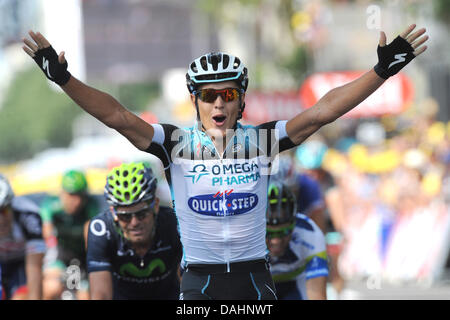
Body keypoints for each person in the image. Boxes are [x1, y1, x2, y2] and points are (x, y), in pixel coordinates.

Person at [22, 24, 428, 299]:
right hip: (200, 279)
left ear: (241, 99)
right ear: (195, 99)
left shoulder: (262, 139)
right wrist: (63, 79)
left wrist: (380, 72)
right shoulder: (174, 143)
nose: (218, 103)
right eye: (209, 95)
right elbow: (118, 116)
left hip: (254, 277)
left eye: (228, 95)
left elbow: (322, 112)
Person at [86, 162, 182, 300]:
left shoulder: (173, 223)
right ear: (113, 213)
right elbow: (101, 295)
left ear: (155, 206)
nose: (134, 222)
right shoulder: (101, 229)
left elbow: (190, 283)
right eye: (125, 216)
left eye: (142, 214)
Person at [295, 140, 346, 298]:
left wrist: (340, 233)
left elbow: (337, 211)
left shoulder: (329, 182)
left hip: (328, 232)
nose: (313, 175)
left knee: (333, 271)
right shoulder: (298, 182)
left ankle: (337, 292)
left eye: (316, 171)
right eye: (309, 171)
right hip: (304, 232)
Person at [39, 169, 100, 299]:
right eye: (70, 195)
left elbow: (91, 238)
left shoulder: (91, 206)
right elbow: (45, 233)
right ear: (62, 193)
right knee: (50, 287)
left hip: (84, 257)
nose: (75, 201)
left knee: (86, 296)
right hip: (61, 254)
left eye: (80, 196)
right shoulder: (51, 204)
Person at [266, 180, 328, 300]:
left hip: (296, 283)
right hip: (261, 282)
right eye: (269, 234)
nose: (275, 241)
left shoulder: (310, 233)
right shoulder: (242, 237)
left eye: (283, 232)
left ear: (294, 225)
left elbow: (317, 295)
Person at [0, 174, 46, 300]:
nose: (1, 219)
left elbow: (34, 266)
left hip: (22, 263)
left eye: (4, 210)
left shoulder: (28, 214)